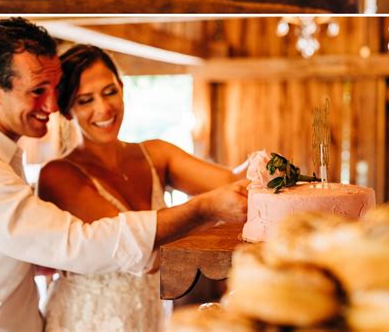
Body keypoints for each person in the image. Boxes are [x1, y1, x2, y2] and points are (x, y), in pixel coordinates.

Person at [0, 18, 248, 332]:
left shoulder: (0, 156)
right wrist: (203, 209)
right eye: (38, 90)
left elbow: (20, 247)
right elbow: (78, 244)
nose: (51, 106)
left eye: (54, 89)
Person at [38, 44, 249, 332]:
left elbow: (229, 182)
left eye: (109, 91)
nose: (103, 108)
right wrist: (208, 210)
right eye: (85, 100)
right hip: (86, 320)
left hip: (148, 313)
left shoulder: (156, 154)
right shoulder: (58, 174)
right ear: (66, 110)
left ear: (122, 88)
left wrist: (270, 170)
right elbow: (140, 255)